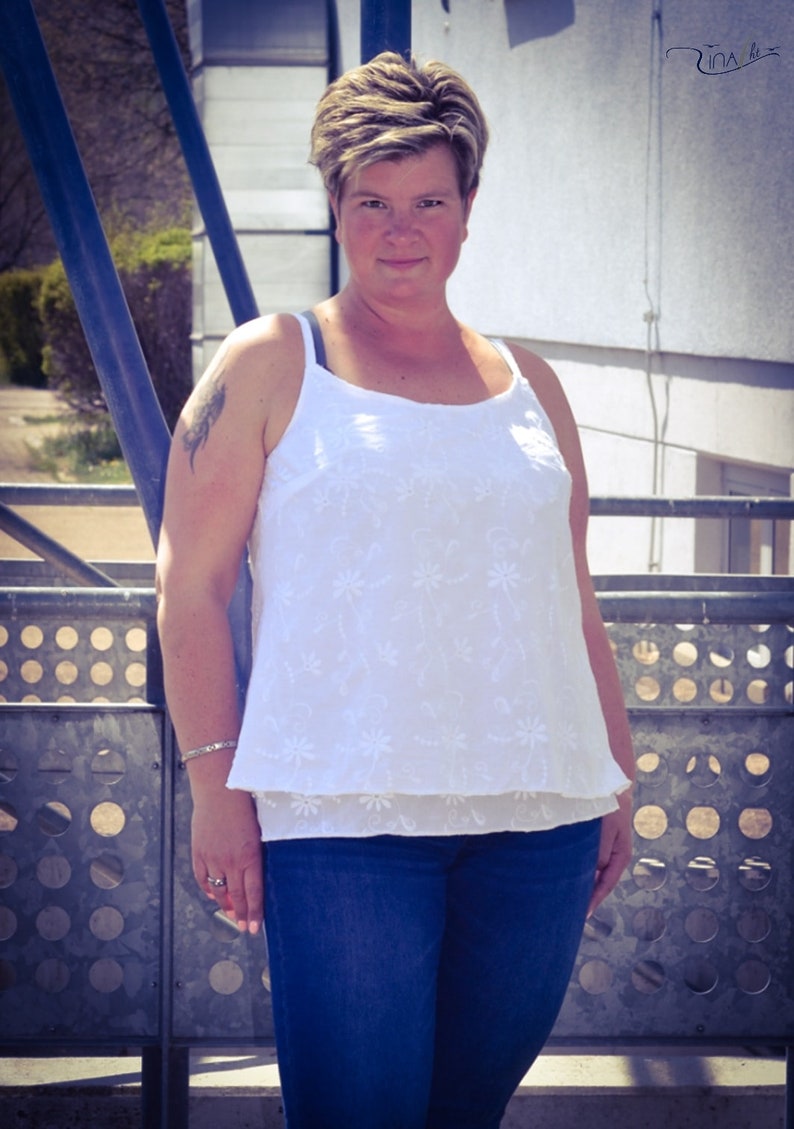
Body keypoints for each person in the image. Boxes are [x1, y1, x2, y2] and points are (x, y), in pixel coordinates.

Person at [156, 51, 634, 1129]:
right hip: (343, 823)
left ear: (468, 208)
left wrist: (614, 772)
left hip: (540, 819)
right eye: (371, 201)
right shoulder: (272, 361)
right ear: (336, 208)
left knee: (466, 1111)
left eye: (428, 201)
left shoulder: (532, 385)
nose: (400, 230)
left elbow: (569, 592)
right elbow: (189, 587)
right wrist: (216, 788)